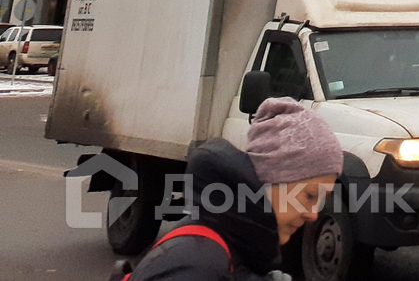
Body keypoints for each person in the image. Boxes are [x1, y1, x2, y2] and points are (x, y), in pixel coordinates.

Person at [128, 95, 343, 280]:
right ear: (270, 179)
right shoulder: (197, 265)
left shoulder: (228, 250)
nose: (312, 215)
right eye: (310, 195)